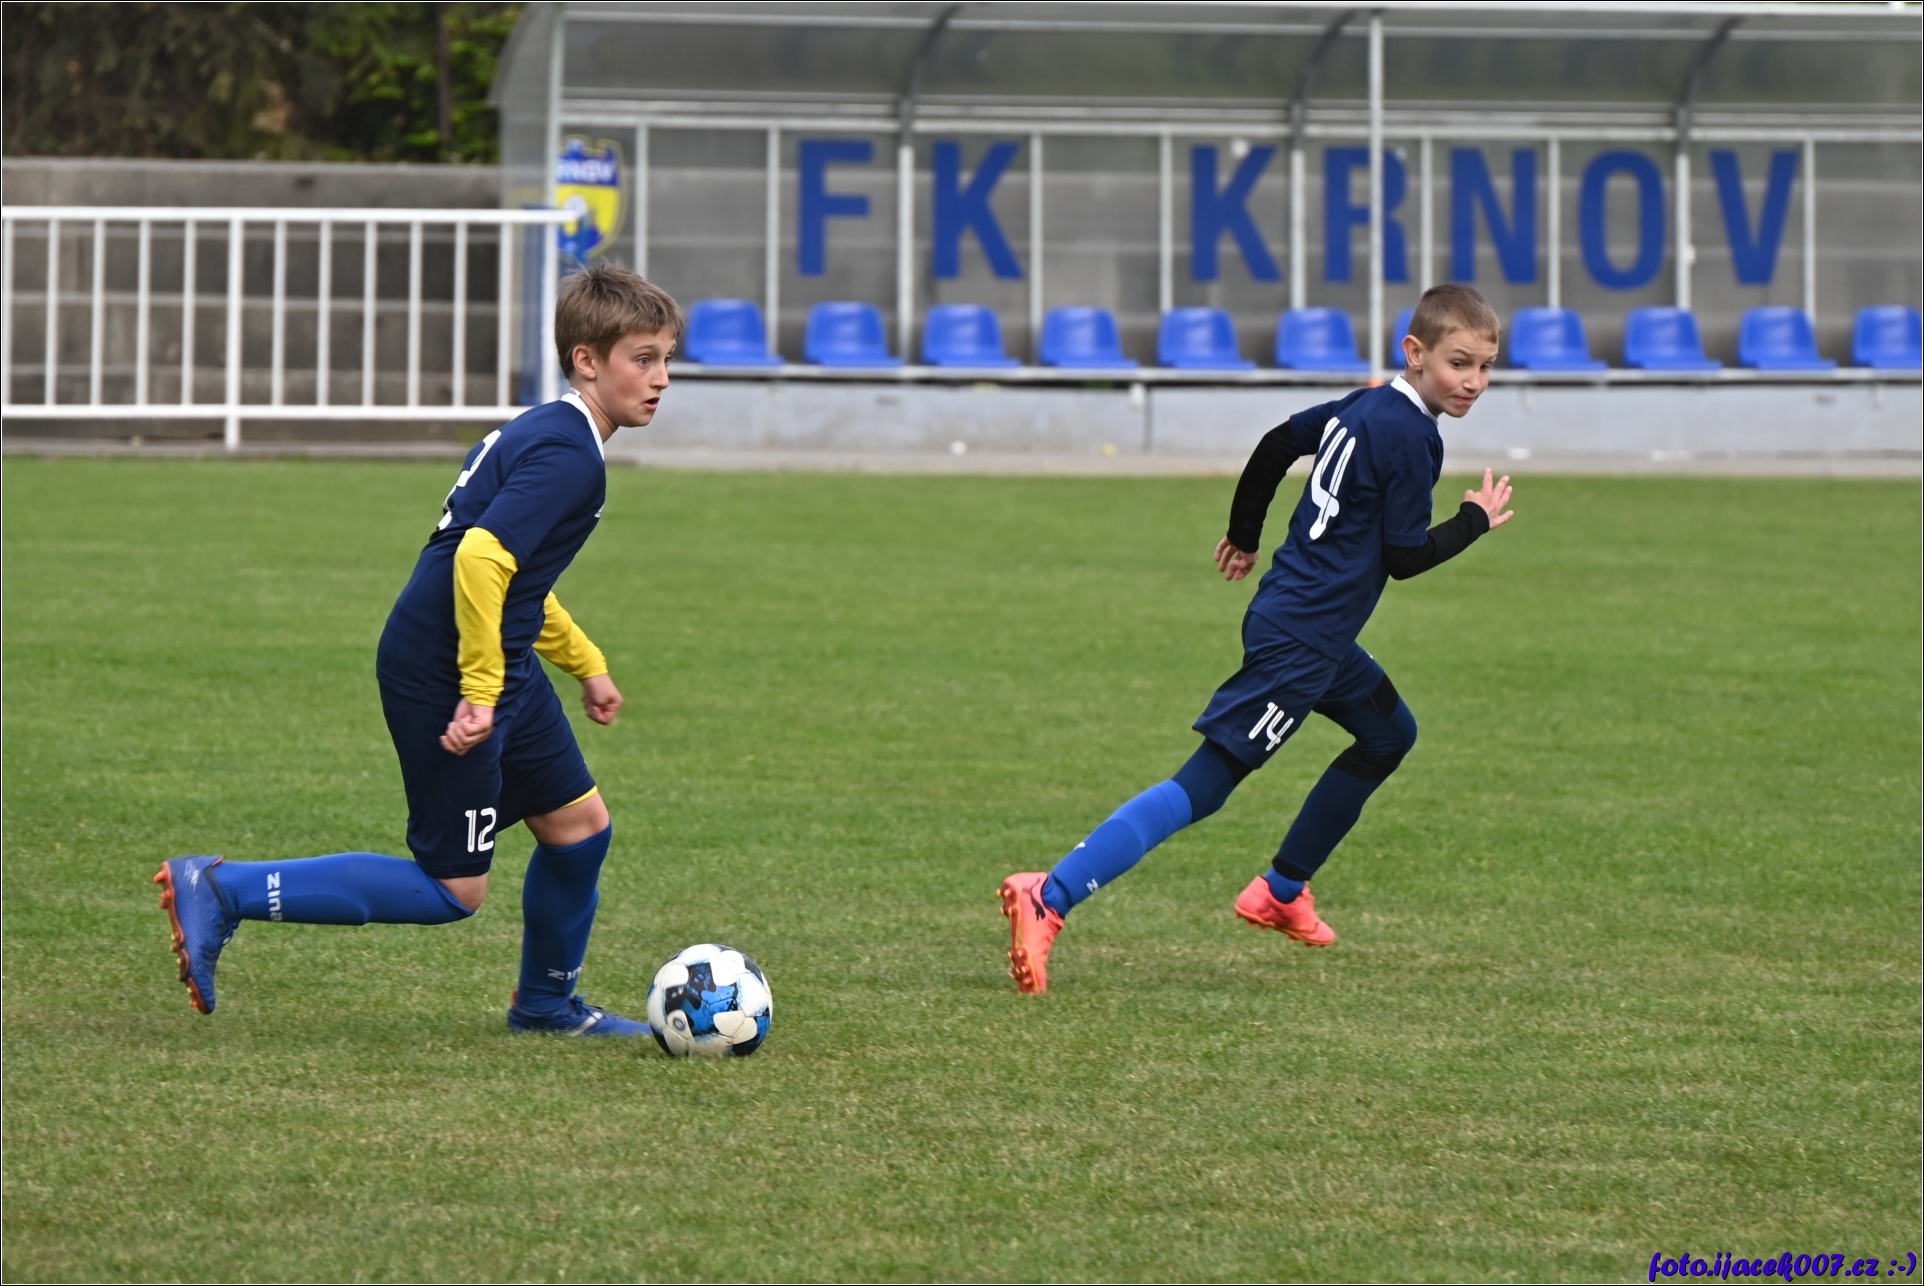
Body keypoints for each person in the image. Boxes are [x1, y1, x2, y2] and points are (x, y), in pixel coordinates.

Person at [155, 264, 680, 1035]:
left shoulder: (550, 430)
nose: (662, 378)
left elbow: (516, 578)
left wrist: (585, 662)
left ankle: (546, 1007)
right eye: (644, 358)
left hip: (492, 661)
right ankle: (222, 889)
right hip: (444, 670)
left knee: (579, 828)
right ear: (587, 360)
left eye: (667, 358)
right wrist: (479, 690)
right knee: (452, 889)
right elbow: (480, 559)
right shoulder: (569, 453)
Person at [1000, 283, 1516, 994]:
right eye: (1460, 363)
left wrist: (1245, 534)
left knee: (1389, 734)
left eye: (1486, 367)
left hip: (1303, 625)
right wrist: (1473, 521)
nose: (1474, 382)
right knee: (1206, 784)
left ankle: (1281, 889)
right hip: (1302, 641)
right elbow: (1404, 557)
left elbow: (1278, 445)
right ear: (1415, 352)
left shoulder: (1366, 405)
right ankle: (1050, 894)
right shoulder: (1413, 437)